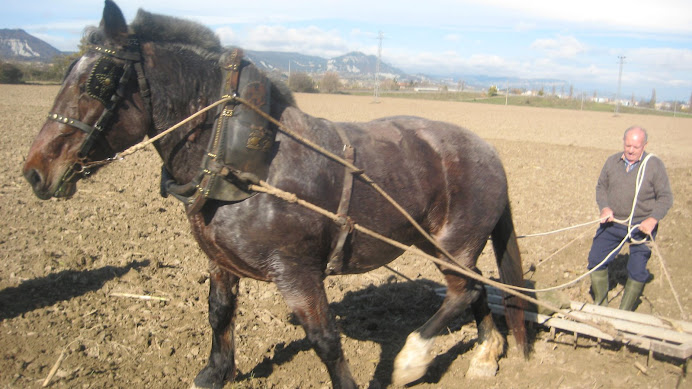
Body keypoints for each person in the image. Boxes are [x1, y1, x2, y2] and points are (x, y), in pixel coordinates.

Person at [587, 126, 673, 311]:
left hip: (641, 227)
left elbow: (665, 198)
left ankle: (625, 313)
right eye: (628, 145)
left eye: (636, 146)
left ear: (645, 145)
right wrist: (605, 208)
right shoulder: (612, 162)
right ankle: (601, 306)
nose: (631, 150)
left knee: (637, 270)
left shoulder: (654, 166)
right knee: (596, 260)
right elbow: (601, 187)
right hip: (613, 223)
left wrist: (652, 220)